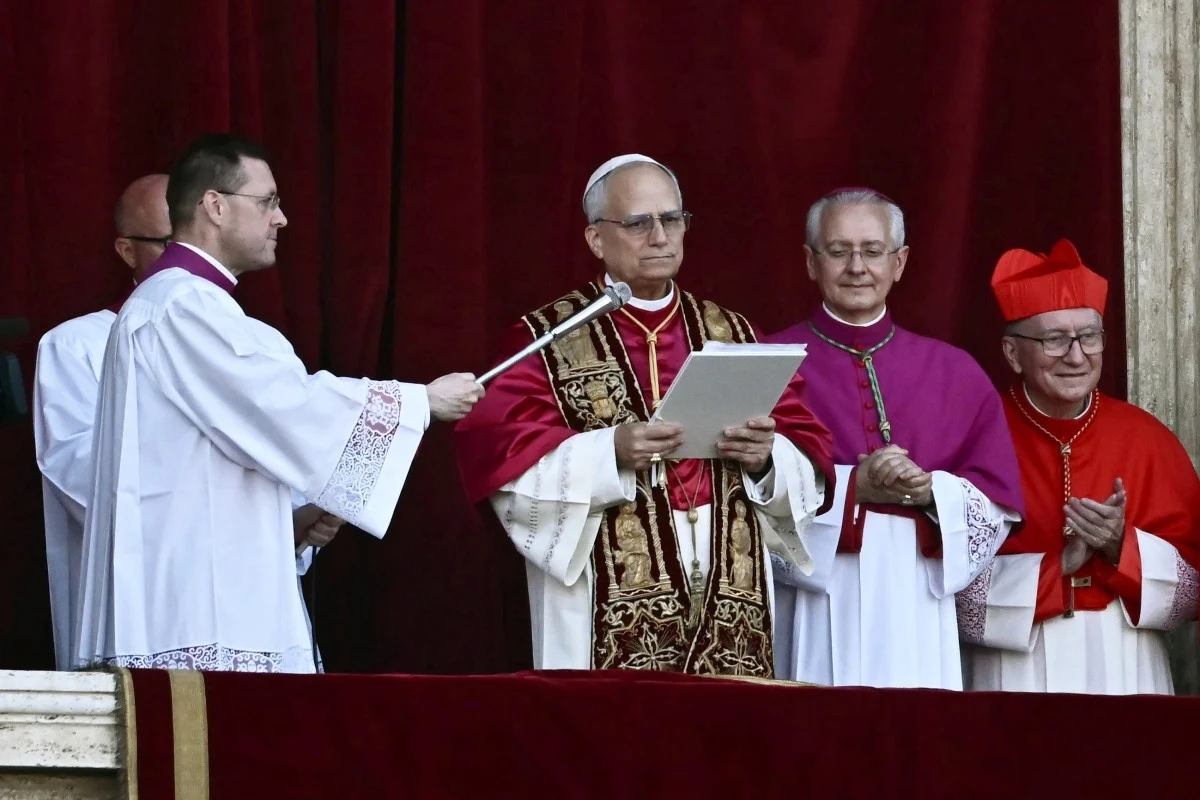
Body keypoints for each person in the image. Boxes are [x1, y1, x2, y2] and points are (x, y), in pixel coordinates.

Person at [73, 134, 484, 672]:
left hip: (209, 578)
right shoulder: (182, 303)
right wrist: (418, 402)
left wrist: (296, 516)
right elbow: (280, 405)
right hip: (197, 601)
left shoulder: (186, 302)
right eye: (267, 201)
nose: (281, 218)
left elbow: (233, 444)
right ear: (215, 206)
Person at [455, 154, 835, 676]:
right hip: (601, 589)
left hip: (729, 581)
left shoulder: (734, 333)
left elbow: (809, 452)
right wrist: (608, 452)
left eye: (671, 219)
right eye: (638, 223)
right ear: (596, 239)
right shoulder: (548, 337)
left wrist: (766, 459)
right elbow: (503, 461)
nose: (660, 237)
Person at [767, 188, 1025, 689]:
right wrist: (851, 487)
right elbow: (742, 491)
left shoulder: (955, 371)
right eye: (838, 251)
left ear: (899, 262)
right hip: (816, 589)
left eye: (872, 250)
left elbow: (997, 503)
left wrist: (931, 492)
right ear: (811, 262)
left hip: (916, 590)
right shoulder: (769, 360)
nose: (857, 267)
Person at [958, 239, 1200, 694]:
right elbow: (940, 590)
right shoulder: (973, 436)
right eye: (1054, 339)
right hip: (1012, 666)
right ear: (1012, 354)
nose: (1075, 356)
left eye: (1089, 336)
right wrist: (1054, 568)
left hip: (1126, 660)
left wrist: (1121, 547)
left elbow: (1192, 592)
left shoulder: (1146, 439)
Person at [34, 174, 172, 670]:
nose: (190, 259)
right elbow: (84, 478)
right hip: (136, 609)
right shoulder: (77, 346)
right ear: (127, 250)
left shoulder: (252, 340)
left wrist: (299, 520)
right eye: (169, 244)